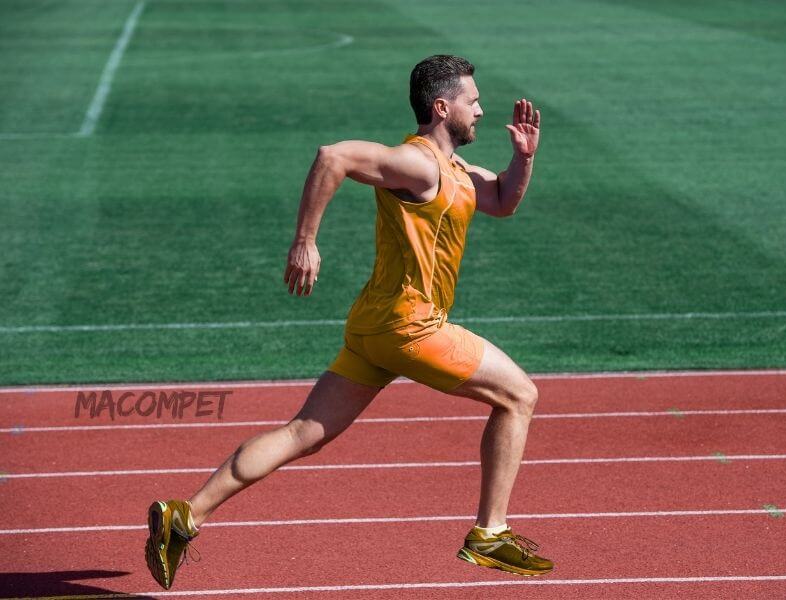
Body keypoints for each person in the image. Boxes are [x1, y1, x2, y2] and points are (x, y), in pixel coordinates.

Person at [144, 54, 551, 590]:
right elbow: (332, 156)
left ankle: (185, 515)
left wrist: (522, 159)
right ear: (441, 106)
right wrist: (305, 241)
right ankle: (489, 533)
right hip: (412, 327)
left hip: (374, 327)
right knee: (519, 396)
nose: (481, 110)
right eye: (473, 101)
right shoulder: (419, 164)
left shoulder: (454, 171)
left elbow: (499, 201)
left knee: (303, 433)